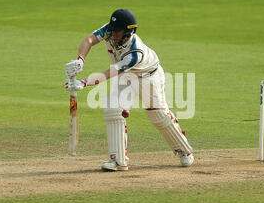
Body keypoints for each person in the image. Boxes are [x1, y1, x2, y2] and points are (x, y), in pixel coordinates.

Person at [65, 9, 194, 171]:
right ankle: (118, 160)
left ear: (128, 32)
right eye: (112, 30)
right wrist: (80, 61)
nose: (113, 34)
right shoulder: (110, 30)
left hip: (149, 77)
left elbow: (112, 72)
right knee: (113, 108)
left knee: (158, 115)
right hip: (126, 75)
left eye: (117, 31)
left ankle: (184, 151)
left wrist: (84, 83)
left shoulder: (135, 53)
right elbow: (89, 40)